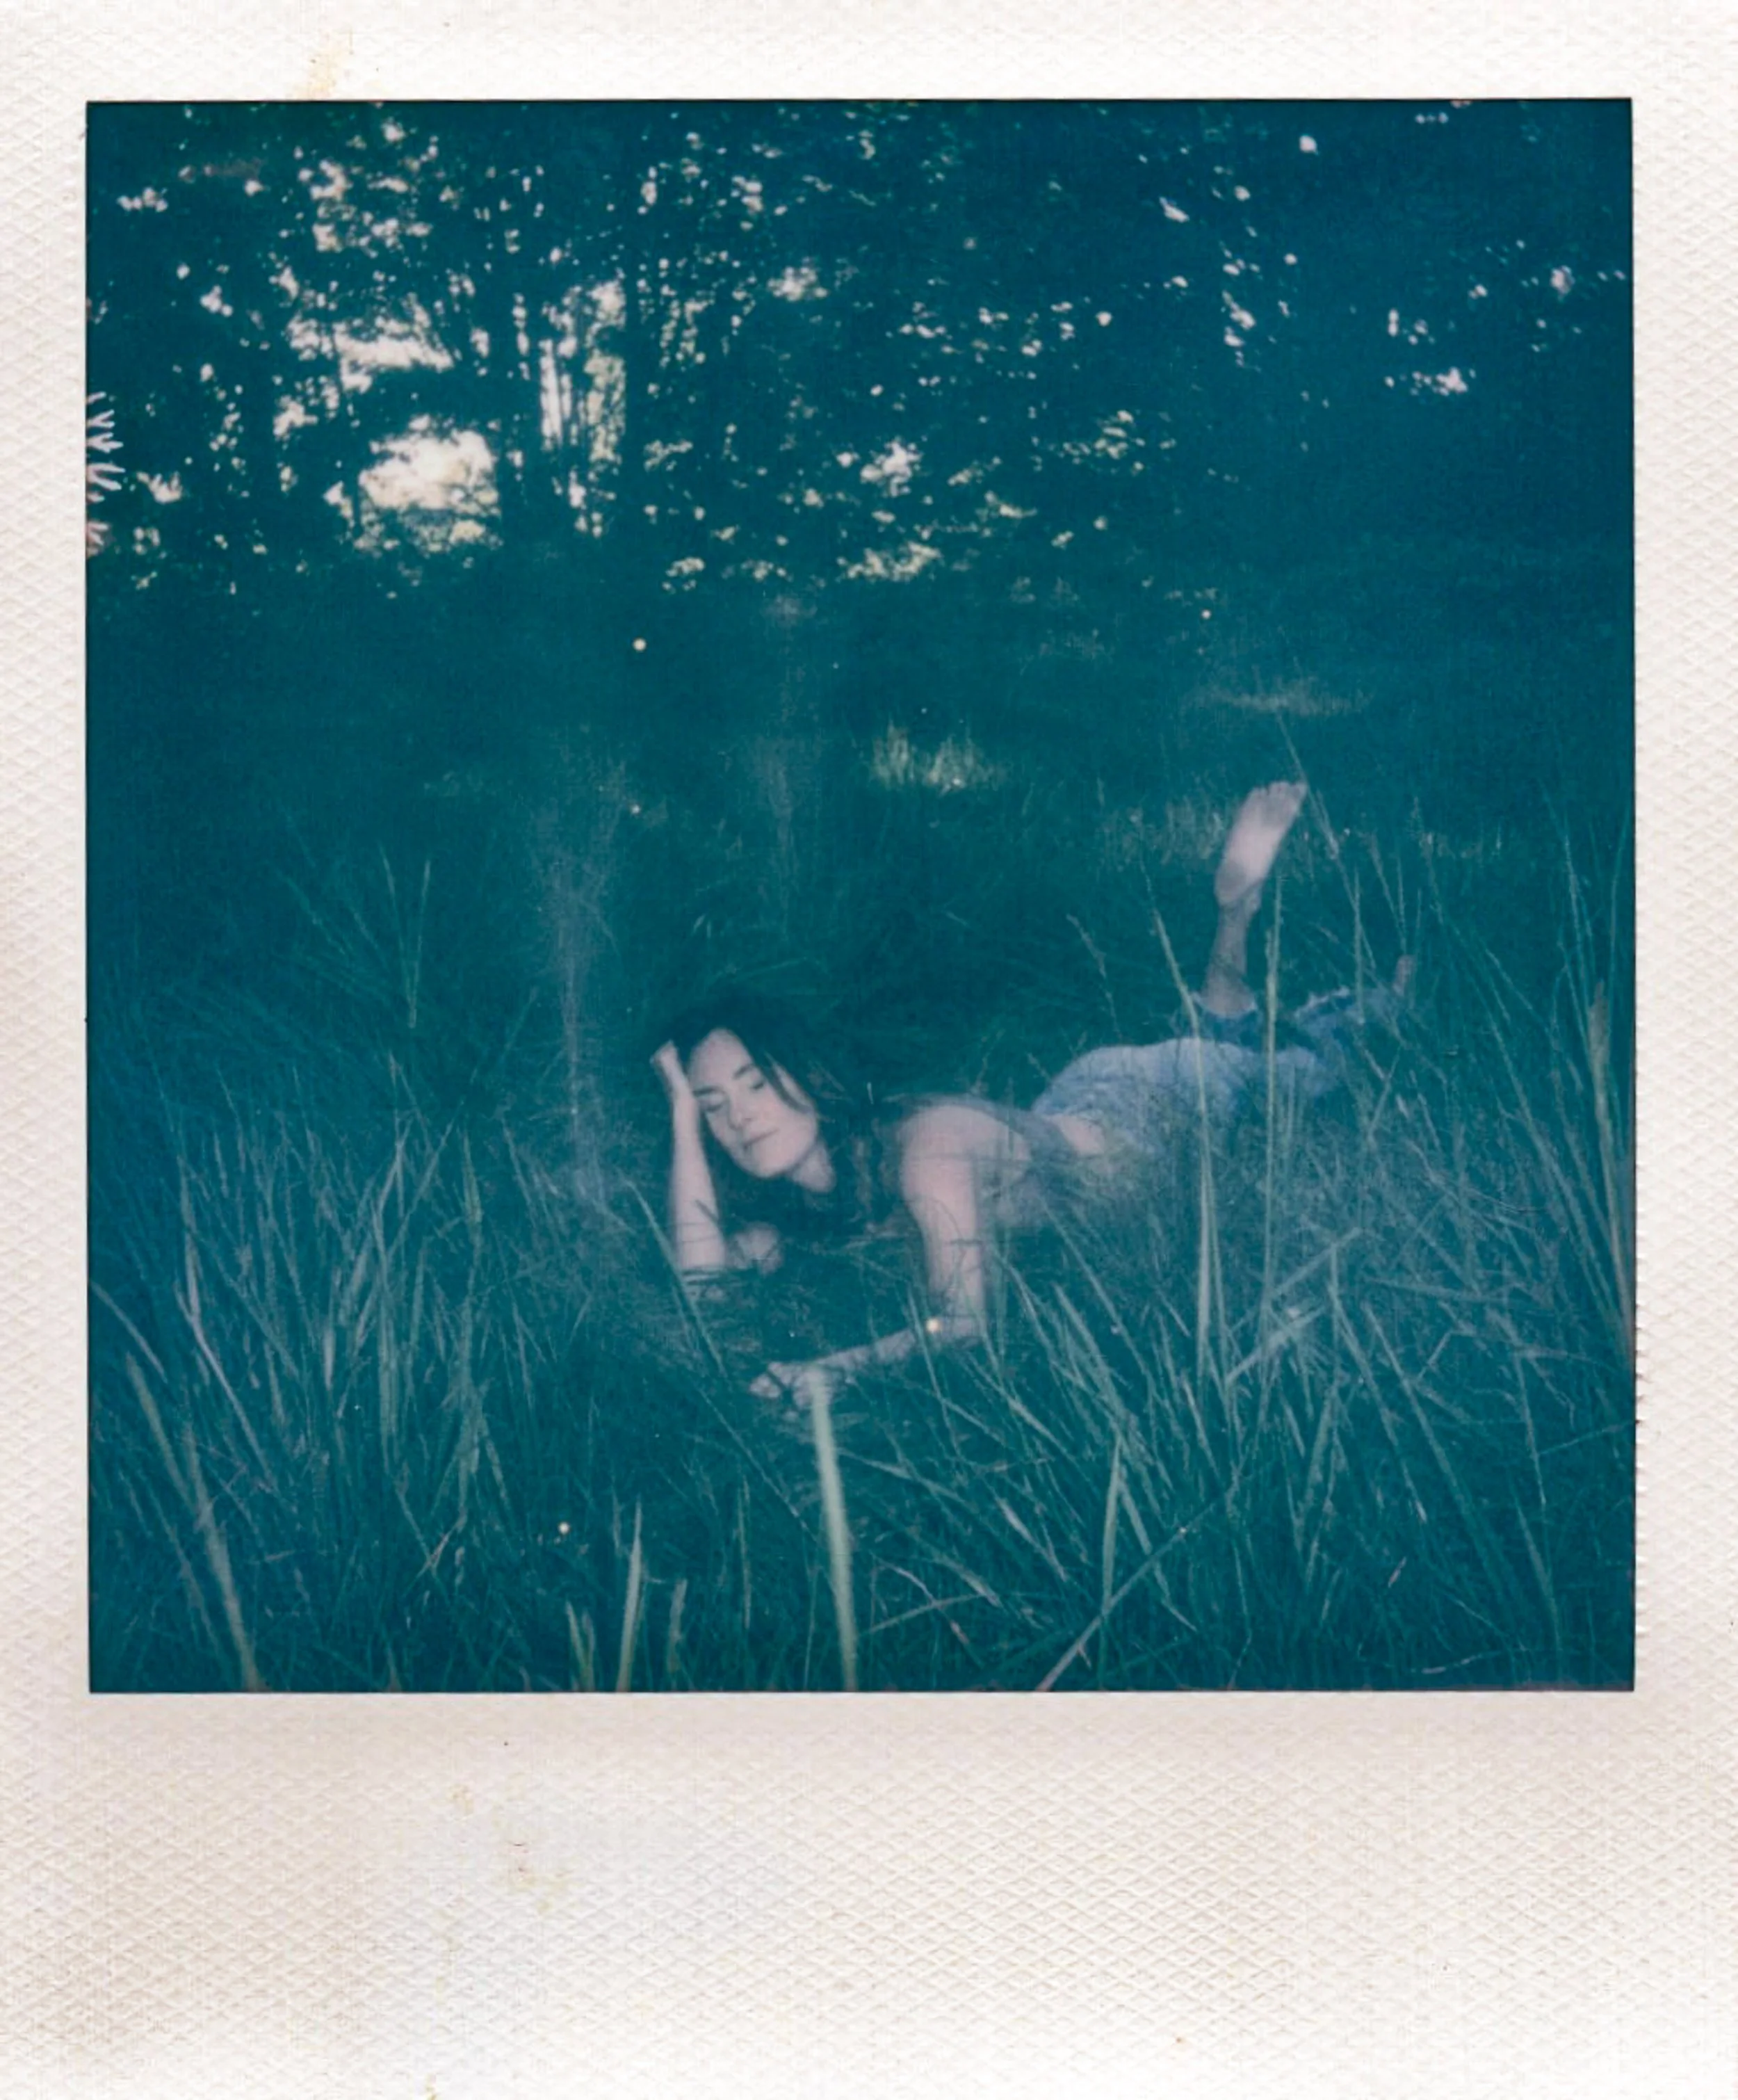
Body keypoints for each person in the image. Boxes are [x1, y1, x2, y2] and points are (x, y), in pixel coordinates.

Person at [651, 782, 1406, 1409]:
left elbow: (966, 1323)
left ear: (807, 1075)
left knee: (1308, 1069)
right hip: (1066, 1105)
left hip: (1149, 1111)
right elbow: (707, 1291)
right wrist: (683, 1119)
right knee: (1227, 1045)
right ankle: (1233, 917)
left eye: (755, 1082)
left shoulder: (924, 1152)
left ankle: (1390, 996)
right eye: (714, 1104)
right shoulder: (808, 1201)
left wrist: (837, 1369)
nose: (738, 1116)